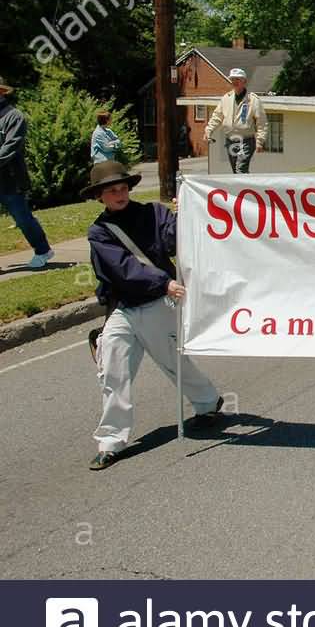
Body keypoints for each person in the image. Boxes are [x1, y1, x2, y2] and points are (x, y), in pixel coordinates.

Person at [83, 160, 224, 470]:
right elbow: (122, 269)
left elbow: (175, 239)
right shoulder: (99, 233)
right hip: (124, 307)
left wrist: (186, 211)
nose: (119, 194)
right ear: (100, 197)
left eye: (122, 188)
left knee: (173, 362)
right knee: (113, 372)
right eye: (111, 191)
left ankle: (208, 403)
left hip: (158, 304)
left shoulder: (153, 213)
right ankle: (110, 441)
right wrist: (164, 282)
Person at [0, 77, 55, 269]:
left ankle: (43, 250)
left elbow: (11, 146)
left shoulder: (14, 116)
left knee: (22, 218)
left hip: (11, 180)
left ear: (2, 92)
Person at [204, 67, 267, 174]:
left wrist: (260, 141)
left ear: (244, 81)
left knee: (240, 169)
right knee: (235, 171)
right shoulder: (226, 98)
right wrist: (208, 131)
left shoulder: (253, 100)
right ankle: (245, 188)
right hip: (230, 140)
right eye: (232, 79)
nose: (234, 82)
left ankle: (244, 189)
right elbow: (217, 117)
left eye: (238, 79)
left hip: (246, 141)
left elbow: (262, 122)